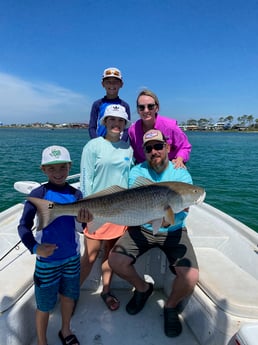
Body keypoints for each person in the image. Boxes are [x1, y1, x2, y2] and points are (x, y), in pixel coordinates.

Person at [108, 129, 199, 338]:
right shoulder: (136, 172)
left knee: (190, 275)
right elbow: (134, 207)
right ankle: (142, 289)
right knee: (115, 260)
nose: (154, 151)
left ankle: (170, 306)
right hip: (143, 228)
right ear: (144, 151)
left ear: (167, 147)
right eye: (149, 148)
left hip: (174, 230)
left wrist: (170, 217)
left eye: (158, 146)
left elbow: (184, 208)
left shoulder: (181, 173)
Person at [17, 145, 85, 345]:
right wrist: (36, 248)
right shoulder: (38, 194)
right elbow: (23, 226)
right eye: (52, 168)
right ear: (43, 170)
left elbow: (80, 229)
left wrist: (84, 220)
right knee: (44, 305)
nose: (58, 173)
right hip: (47, 262)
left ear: (70, 167)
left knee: (68, 297)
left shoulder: (76, 194)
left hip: (72, 257)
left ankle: (65, 330)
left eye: (62, 167)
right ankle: (41, 341)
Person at [80, 104, 134, 311]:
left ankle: (106, 290)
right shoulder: (93, 146)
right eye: (112, 119)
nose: (116, 123)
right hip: (96, 209)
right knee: (91, 256)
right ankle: (72, 294)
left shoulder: (127, 148)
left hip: (120, 212)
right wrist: (87, 209)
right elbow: (86, 179)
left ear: (124, 124)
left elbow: (128, 180)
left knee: (109, 256)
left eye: (120, 120)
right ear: (105, 121)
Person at [128, 89, 192, 167]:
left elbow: (184, 146)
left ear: (157, 108)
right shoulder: (132, 131)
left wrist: (179, 159)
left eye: (150, 106)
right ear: (138, 110)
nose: (146, 110)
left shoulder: (170, 126)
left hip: (169, 167)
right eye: (141, 107)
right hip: (146, 168)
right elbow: (134, 153)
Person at [88, 67, 131, 142]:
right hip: (100, 142)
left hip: (118, 143)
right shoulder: (97, 104)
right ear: (103, 84)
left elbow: (127, 128)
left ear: (121, 84)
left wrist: (122, 142)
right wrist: (96, 142)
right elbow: (92, 127)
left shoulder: (125, 106)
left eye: (115, 82)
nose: (112, 85)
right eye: (108, 82)